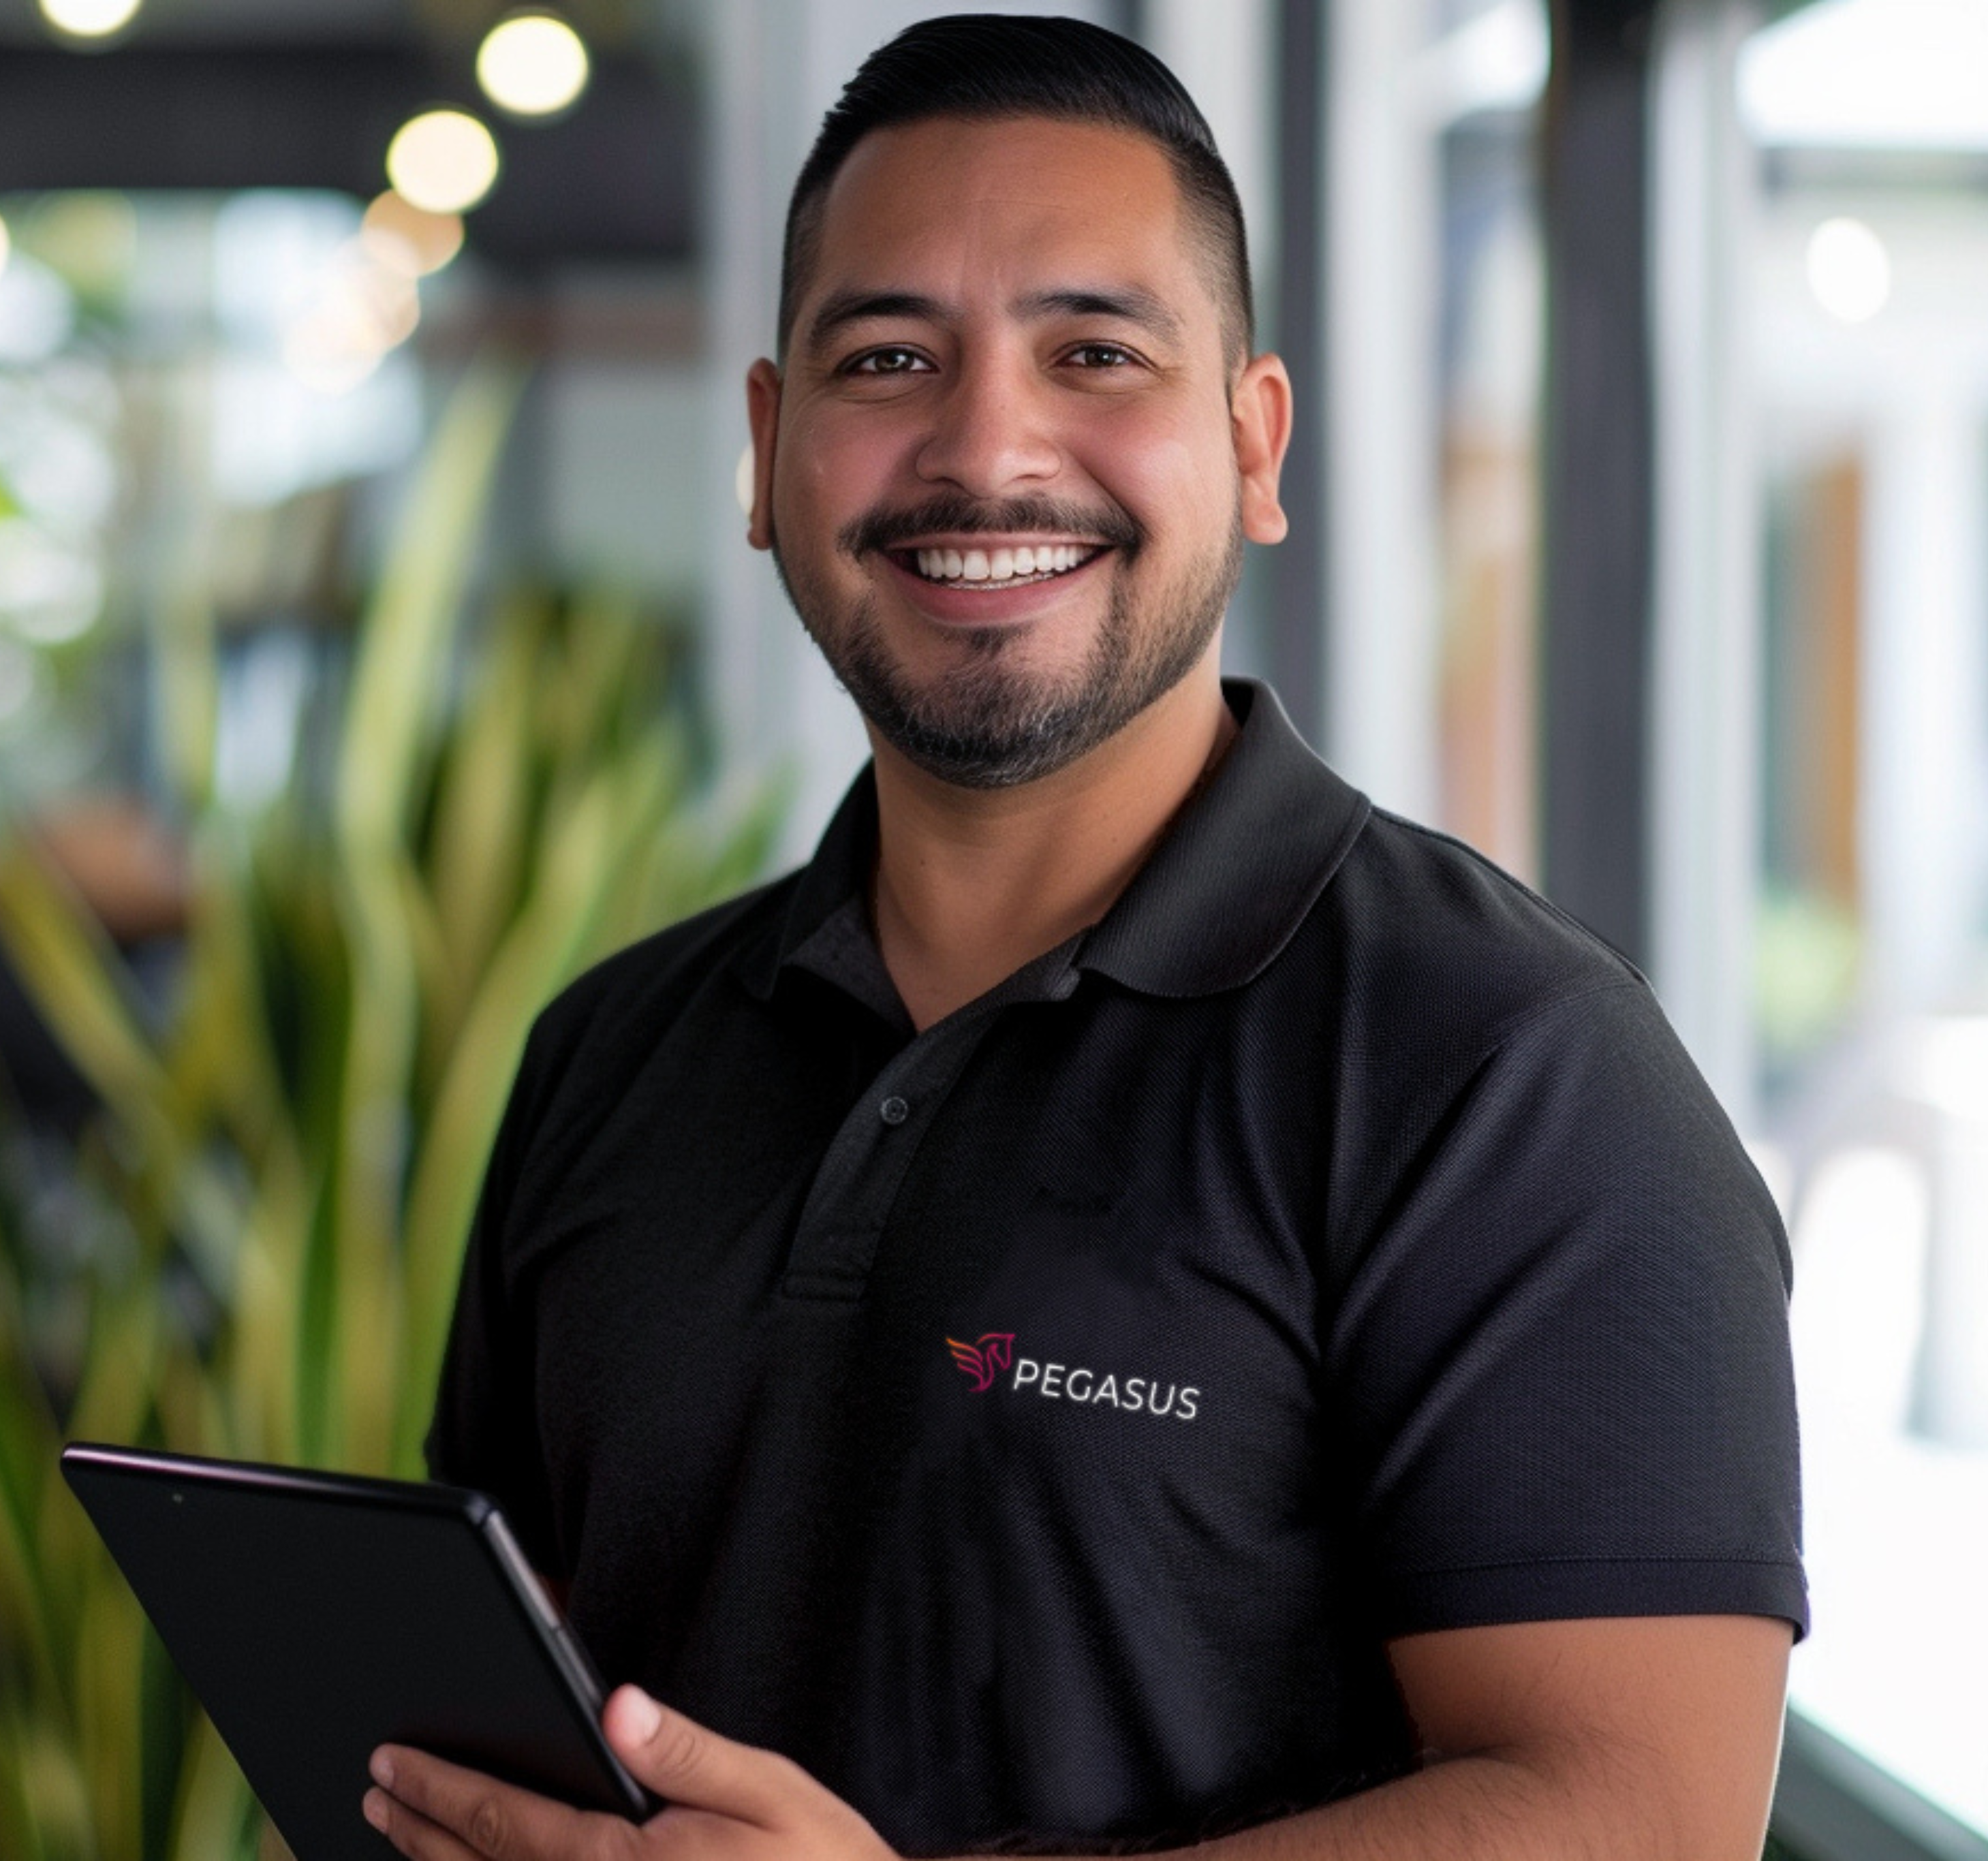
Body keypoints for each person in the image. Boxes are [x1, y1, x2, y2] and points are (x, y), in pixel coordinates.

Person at [368, 16, 1805, 1860]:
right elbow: (512, 1699)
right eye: (888, 357)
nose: (985, 445)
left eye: (1094, 352)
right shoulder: (611, 1051)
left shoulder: (1509, 1069)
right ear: (767, 446)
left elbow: (1642, 1817)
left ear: (1254, 439)